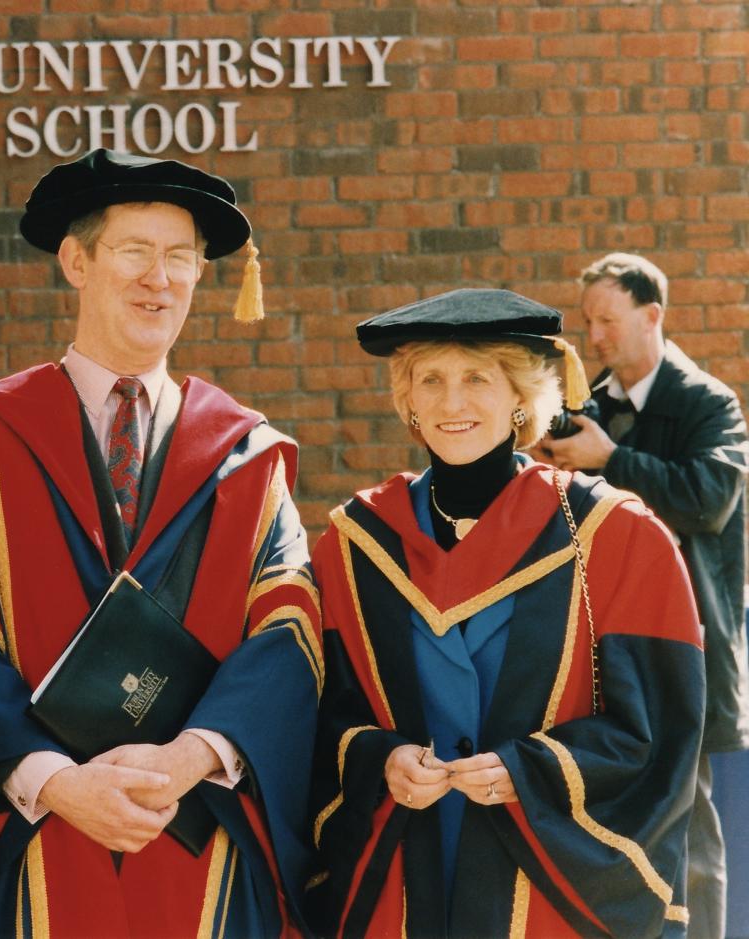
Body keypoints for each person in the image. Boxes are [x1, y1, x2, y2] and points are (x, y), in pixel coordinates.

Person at [0, 149, 321, 936]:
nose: (157, 279)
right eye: (134, 251)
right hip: (30, 830)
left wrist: (191, 756)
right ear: (76, 260)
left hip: (198, 833)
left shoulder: (249, 454)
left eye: (179, 258)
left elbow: (287, 629)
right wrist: (56, 780)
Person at [307, 288, 705, 937]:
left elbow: (661, 735)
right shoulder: (355, 545)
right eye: (428, 379)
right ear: (406, 398)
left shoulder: (615, 538)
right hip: (405, 877)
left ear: (521, 395)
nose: (451, 401)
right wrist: (380, 759)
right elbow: (317, 716)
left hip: (546, 890)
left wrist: (534, 769)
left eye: (477, 378)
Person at [537, 252, 749, 939]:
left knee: (691, 821)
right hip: (603, 643)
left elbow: (709, 499)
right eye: (589, 320)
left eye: (608, 319)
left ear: (652, 315)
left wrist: (611, 462)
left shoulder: (707, 401)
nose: (594, 335)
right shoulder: (587, 407)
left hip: (688, 639)